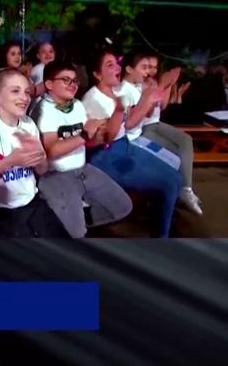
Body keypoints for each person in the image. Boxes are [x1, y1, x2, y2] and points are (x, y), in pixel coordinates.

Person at [82, 49, 182, 238]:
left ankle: (162, 222)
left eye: (116, 63)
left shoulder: (116, 92)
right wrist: (145, 100)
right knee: (169, 183)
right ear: (97, 74)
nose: (117, 68)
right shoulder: (93, 99)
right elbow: (106, 138)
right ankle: (162, 238)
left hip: (124, 146)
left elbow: (129, 123)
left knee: (176, 177)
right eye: (110, 65)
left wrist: (149, 97)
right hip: (106, 157)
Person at [31, 61, 132, 238]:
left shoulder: (77, 105)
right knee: (76, 234)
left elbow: (92, 141)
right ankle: (66, 223)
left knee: (123, 206)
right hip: (55, 175)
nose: (73, 84)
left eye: (75, 81)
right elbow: (51, 151)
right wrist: (84, 135)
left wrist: (115, 115)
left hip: (82, 168)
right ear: (49, 84)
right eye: (66, 80)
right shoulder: (43, 110)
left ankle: (71, 220)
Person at [0, 68, 70, 238]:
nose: (24, 97)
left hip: (31, 199)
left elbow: (42, 170)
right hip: (2, 209)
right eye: (15, 91)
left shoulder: (28, 124)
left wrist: (39, 158)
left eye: (27, 92)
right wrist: (11, 161)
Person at [138, 53, 202, 214]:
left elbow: (163, 106)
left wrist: (168, 85)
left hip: (156, 124)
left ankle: (186, 190)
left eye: (155, 67)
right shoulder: (138, 84)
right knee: (173, 153)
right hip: (142, 129)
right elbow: (145, 113)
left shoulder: (155, 82)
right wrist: (162, 85)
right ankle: (166, 196)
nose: (151, 71)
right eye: (148, 67)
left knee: (186, 140)